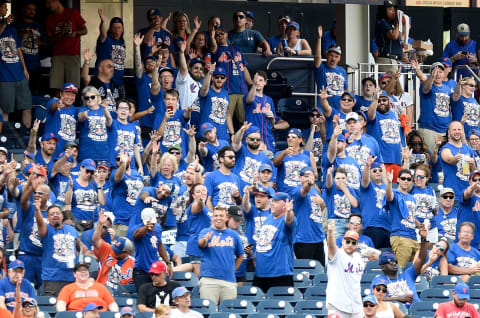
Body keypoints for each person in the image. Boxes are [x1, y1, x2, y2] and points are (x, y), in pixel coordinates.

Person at [198, 206, 244, 304]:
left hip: (229, 280)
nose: (218, 218)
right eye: (216, 216)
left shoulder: (234, 235)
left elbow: (241, 255)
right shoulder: (205, 232)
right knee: (209, 311)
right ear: (212, 217)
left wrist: (233, 269)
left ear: (226, 217)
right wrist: (206, 239)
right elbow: (201, 244)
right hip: (209, 280)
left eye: (221, 215)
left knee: (228, 312)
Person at [209, 25, 252, 130]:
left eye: (222, 33)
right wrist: (212, 37)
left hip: (242, 89)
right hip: (228, 91)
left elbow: (244, 68)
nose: (220, 36)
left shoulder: (237, 49)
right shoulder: (217, 50)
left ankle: (244, 142)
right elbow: (213, 46)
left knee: (244, 120)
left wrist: (251, 84)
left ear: (227, 34)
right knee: (226, 119)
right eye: (217, 35)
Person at [252, 192, 296, 293]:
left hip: (279, 275)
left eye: (276, 201)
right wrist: (256, 255)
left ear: (285, 205)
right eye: (272, 201)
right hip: (261, 274)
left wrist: (289, 212)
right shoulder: (269, 218)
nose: (272, 203)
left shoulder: (287, 220)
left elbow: (289, 221)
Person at [371, 230, 428, 306]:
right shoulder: (380, 280)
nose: (394, 264)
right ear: (383, 267)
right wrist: (399, 299)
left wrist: (424, 239)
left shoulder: (408, 274)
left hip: (416, 309)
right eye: (390, 262)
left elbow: (421, 259)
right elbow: (376, 298)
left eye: (395, 261)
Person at [35, 203, 79, 295]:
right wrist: (37, 211)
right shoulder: (46, 229)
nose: (55, 215)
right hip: (52, 278)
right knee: (54, 306)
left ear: (62, 216)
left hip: (71, 277)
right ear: (47, 218)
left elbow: (77, 247)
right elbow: (40, 223)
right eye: (52, 214)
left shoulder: (71, 229)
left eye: (57, 213)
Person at [0, 0, 32, 127]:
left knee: (27, 107)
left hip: (19, 74)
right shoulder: (4, 26)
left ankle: (29, 137)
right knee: (5, 110)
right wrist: (4, 23)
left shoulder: (12, 29)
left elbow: (18, 49)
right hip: (4, 76)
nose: (6, 9)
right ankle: (4, 141)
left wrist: (25, 68)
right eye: (3, 6)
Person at [45, 0, 87, 91]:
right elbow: (50, 40)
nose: (47, 6)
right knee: (56, 86)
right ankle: (58, 104)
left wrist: (75, 32)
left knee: (72, 87)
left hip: (73, 54)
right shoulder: (49, 19)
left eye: (48, 2)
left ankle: (72, 105)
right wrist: (62, 33)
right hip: (57, 55)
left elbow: (85, 30)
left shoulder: (72, 13)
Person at [326, 222, 364, 317]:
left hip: (356, 306)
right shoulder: (337, 255)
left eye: (353, 242)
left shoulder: (359, 258)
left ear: (357, 245)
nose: (350, 244)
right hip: (337, 305)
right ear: (343, 241)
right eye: (348, 241)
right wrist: (330, 232)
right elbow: (331, 246)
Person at [244, 71, 289, 152]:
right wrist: (253, 84)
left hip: (267, 136)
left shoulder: (269, 100)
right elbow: (249, 99)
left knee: (269, 161)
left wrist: (272, 120)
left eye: (260, 80)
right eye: (256, 80)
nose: (258, 82)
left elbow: (273, 121)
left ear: (265, 82)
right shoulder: (248, 96)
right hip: (253, 136)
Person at [131, 208, 173, 291]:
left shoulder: (158, 228)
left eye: (153, 223)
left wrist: (168, 262)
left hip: (155, 270)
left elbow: (159, 245)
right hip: (141, 270)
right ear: (142, 221)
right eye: (149, 223)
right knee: (145, 295)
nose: (152, 225)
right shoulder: (137, 228)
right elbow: (136, 235)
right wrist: (146, 228)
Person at [292, 166, 326, 266]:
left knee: (320, 271)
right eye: (306, 176)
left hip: (318, 237)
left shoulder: (315, 192)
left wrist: (322, 203)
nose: (308, 178)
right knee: (305, 272)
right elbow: (304, 190)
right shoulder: (297, 190)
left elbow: (322, 210)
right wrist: (309, 184)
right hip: (304, 239)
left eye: (311, 175)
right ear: (300, 178)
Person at [93, 210, 134, 289]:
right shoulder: (108, 251)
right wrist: (100, 224)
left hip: (121, 295)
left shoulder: (133, 263)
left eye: (118, 252)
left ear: (126, 253)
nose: (115, 252)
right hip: (103, 289)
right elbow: (96, 239)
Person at [386, 169, 419, 268]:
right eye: (403, 178)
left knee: (417, 269)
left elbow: (412, 217)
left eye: (409, 179)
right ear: (398, 180)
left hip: (414, 237)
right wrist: (389, 183)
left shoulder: (412, 198)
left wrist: (421, 226)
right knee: (401, 268)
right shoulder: (395, 193)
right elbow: (389, 197)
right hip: (400, 236)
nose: (406, 181)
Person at [367, 90, 403, 182]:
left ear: (389, 101)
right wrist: (375, 99)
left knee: (395, 190)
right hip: (382, 161)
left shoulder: (394, 115)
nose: (381, 103)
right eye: (379, 101)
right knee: (384, 190)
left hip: (397, 160)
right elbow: (370, 115)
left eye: (384, 100)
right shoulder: (375, 115)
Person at [13, 1, 46, 94]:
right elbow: (11, 40)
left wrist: (40, 42)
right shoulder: (16, 25)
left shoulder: (38, 26)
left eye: (34, 10)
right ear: (23, 10)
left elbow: (46, 43)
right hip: (20, 64)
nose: (32, 12)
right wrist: (23, 32)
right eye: (29, 9)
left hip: (35, 65)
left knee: (34, 91)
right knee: (20, 92)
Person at [418, 62, 452, 152]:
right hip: (430, 130)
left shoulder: (447, 89)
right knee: (430, 159)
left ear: (444, 73)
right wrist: (432, 77)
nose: (438, 74)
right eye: (435, 71)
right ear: (431, 73)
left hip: (445, 131)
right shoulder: (426, 85)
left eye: (440, 72)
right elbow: (426, 88)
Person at [82, 49, 124, 115]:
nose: (112, 69)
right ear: (100, 69)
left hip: (114, 119)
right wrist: (87, 62)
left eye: (113, 67)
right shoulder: (93, 81)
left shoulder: (115, 85)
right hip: (98, 116)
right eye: (109, 66)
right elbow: (84, 77)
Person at [360, 158, 391, 249]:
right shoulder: (368, 186)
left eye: (380, 170)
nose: (378, 172)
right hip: (372, 226)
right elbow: (365, 180)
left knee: (387, 259)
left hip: (388, 227)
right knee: (373, 258)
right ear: (370, 173)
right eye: (374, 170)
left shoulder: (387, 187)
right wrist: (367, 167)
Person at [197, 63, 233, 141]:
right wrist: (209, 73)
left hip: (223, 137)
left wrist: (232, 133)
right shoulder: (207, 90)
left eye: (222, 77)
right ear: (212, 78)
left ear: (225, 79)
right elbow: (203, 90)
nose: (219, 79)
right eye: (217, 77)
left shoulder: (226, 93)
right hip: (207, 135)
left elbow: (227, 114)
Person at [274, 128, 316, 194]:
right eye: (288, 137)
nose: (290, 138)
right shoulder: (280, 153)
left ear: (300, 140)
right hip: (284, 193)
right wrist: (284, 153)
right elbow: (276, 163)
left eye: (293, 137)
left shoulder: (306, 158)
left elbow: (312, 175)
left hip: (300, 194)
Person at [314, 25, 347, 109]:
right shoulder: (321, 68)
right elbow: (317, 57)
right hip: (323, 109)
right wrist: (319, 38)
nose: (333, 58)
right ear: (327, 56)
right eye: (331, 55)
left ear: (339, 58)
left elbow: (345, 89)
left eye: (336, 56)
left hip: (339, 109)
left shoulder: (342, 70)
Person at [440, 121, 475, 201]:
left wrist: (472, 163)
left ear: (462, 131)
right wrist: (455, 159)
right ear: (449, 132)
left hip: (468, 194)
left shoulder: (469, 149)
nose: (457, 132)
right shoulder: (446, 149)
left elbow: (474, 172)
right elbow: (448, 158)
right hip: (452, 197)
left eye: (459, 129)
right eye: (454, 130)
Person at [77, 86, 113, 161]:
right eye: (87, 98)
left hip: (103, 153)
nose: (90, 99)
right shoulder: (83, 109)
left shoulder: (103, 108)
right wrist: (83, 115)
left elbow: (109, 123)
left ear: (98, 97)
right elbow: (79, 117)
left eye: (92, 97)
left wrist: (105, 108)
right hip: (86, 154)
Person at [324, 165, 359, 238]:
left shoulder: (350, 189)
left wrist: (345, 190)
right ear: (334, 179)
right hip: (335, 222)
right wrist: (329, 174)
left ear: (346, 179)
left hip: (349, 222)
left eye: (343, 178)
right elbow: (328, 184)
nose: (341, 180)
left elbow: (355, 204)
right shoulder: (331, 188)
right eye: (338, 178)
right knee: (335, 246)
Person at [95, 10, 126, 90]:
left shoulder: (122, 42)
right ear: (110, 29)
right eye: (114, 27)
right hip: (104, 82)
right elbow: (103, 34)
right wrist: (103, 22)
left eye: (119, 28)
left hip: (119, 83)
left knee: (122, 102)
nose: (116, 30)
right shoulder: (106, 40)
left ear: (122, 30)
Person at [44, 83, 79, 154]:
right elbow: (52, 107)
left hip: (69, 152)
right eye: (67, 94)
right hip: (53, 150)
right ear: (61, 94)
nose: (70, 97)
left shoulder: (75, 110)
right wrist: (57, 105)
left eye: (72, 95)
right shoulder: (53, 102)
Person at [374, 0, 402, 72]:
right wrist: (397, 23)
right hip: (387, 61)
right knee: (389, 83)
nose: (393, 12)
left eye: (393, 9)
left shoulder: (391, 24)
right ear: (383, 11)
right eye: (390, 9)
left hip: (393, 61)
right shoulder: (382, 22)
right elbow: (394, 36)